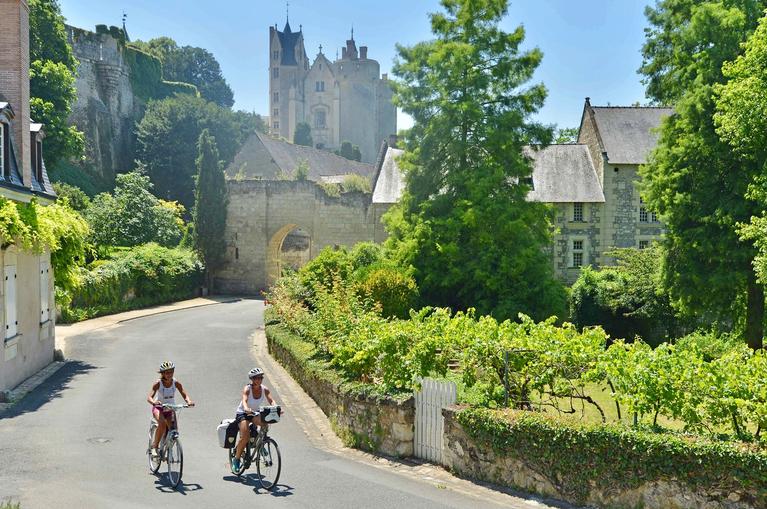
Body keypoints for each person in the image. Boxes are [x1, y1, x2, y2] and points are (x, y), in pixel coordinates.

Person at [231, 367, 280, 474]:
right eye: (256, 378)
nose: (259, 380)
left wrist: (276, 408)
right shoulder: (247, 389)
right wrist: (246, 408)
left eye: (260, 378)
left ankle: (261, 445)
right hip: (243, 413)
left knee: (265, 424)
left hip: (254, 413)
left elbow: (271, 400)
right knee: (245, 437)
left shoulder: (264, 389)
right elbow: (244, 400)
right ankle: (236, 459)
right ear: (252, 379)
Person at [146, 361, 194, 459]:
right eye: (167, 372)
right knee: (162, 424)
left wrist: (189, 401)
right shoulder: (158, 383)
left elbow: (184, 394)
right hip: (159, 407)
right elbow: (149, 397)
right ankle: (154, 447)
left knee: (174, 431)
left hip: (170, 408)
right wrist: (154, 402)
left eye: (171, 372)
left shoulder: (176, 383)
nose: (169, 374)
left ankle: (167, 448)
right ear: (162, 373)